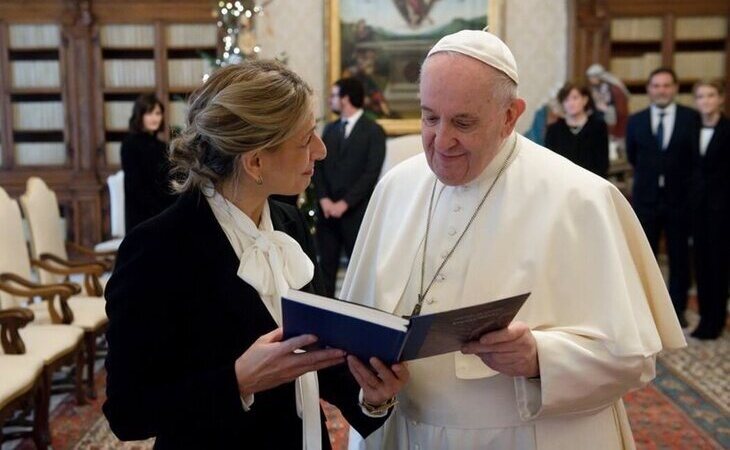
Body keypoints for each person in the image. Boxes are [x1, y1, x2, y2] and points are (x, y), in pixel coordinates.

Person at [344, 29, 685, 450]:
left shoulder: (581, 198)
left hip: (527, 437)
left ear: (510, 115)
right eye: (430, 117)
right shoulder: (395, 188)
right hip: (407, 434)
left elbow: (635, 357)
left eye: (463, 122)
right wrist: (372, 391)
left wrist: (540, 358)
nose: (442, 140)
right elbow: (357, 331)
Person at [103, 61, 409, 450]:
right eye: (306, 139)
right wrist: (237, 381)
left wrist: (371, 395)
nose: (322, 149)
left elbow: (313, 353)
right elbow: (128, 412)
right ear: (255, 161)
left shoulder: (288, 222)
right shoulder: (156, 249)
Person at [626, 67, 699, 327]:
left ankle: (676, 312)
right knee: (646, 260)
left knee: (679, 259)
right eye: (656, 86)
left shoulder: (691, 119)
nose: (661, 90)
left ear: (676, 88)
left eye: (666, 85)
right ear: (649, 90)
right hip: (646, 201)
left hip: (679, 201)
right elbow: (634, 157)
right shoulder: (636, 120)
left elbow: (694, 158)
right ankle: (647, 314)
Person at [313, 77, 386, 297]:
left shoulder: (373, 131)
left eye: (334, 95)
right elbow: (318, 167)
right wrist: (324, 199)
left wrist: (344, 204)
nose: (330, 100)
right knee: (324, 273)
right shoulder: (330, 129)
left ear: (345, 98)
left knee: (359, 275)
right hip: (327, 215)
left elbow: (371, 174)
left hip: (356, 215)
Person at [689, 80, 729, 340]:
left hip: (723, 209)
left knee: (719, 266)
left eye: (710, 95)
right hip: (696, 208)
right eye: (700, 96)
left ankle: (716, 321)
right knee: (701, 264)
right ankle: (705, 318)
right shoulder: (690, 129)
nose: (705, 101)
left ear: (721, 98)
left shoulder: (728, 130)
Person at [120, 94, 176, 232]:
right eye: (149, 113)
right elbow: (135, 186)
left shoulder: (163, 146)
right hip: (141, 214)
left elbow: (168, 180)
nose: (154, 118)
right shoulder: (129, 144)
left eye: (157, 113)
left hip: (163, 210)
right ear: (140, 116)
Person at [545, 82, 610, 178]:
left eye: (575, 98)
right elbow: (549, 163)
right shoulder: (554, 130)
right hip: (562, 183)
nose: (571, 103)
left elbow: (603, 163)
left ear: (584, 100)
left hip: (591, 183)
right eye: (566, 100)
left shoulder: (598, 127)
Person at [586, 63, 630, 142]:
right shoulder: (594, 88)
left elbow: (618, 108)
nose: (590, 79)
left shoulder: (613, 88)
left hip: (611, 116)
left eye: (592, 77)